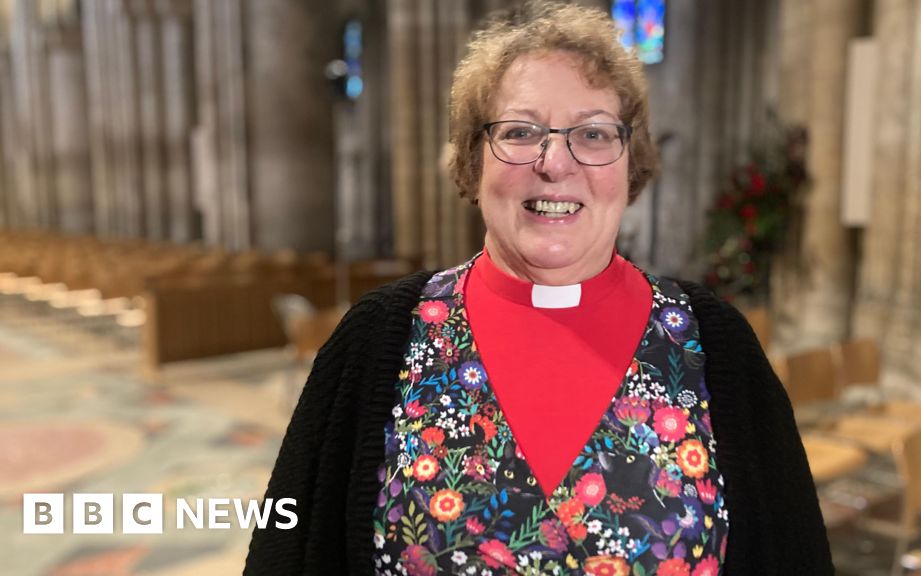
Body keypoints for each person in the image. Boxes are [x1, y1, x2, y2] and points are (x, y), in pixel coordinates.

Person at [246, 2, 831, 574]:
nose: (555, 163)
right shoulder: (375, 339)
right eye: (521, 132)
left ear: (632, 166)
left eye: (595, 134)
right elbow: (287, 549)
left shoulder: (717, 344)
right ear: (474, 162)